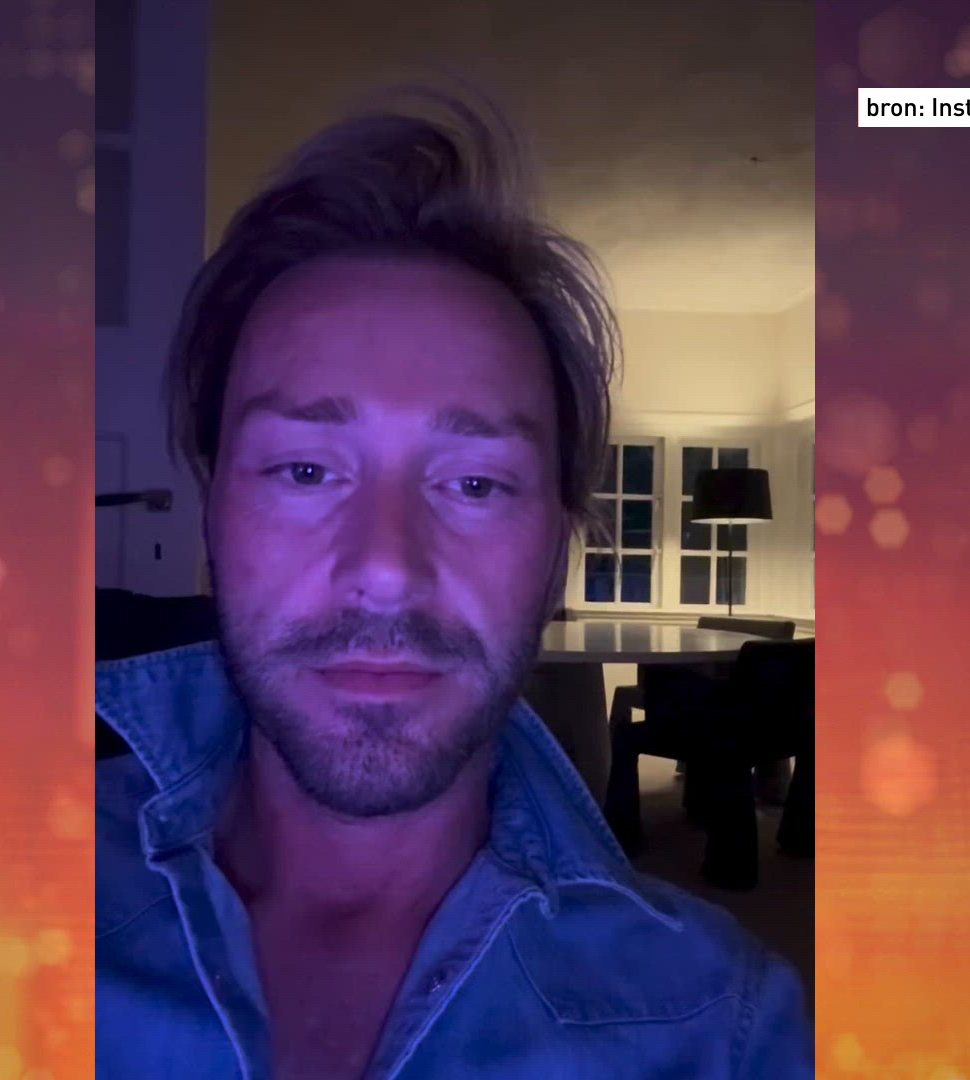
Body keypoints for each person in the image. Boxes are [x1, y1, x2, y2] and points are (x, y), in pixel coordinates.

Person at [96, 85, 811, 1080]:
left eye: (475, 483)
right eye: (305, 470)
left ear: (558, 546)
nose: (387, 570)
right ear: (212, 508)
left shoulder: (728, 1033)